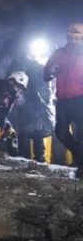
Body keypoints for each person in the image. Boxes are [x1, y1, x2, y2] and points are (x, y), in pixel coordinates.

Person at [44, 23, 83, 178]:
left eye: (77, 39)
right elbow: (46, 75)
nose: (73, 41)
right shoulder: (59, 53)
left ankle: (81, 166)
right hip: (63, 100)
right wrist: (50, 71)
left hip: (80, 100)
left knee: (82, 135)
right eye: (71, 38)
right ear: (67, 37)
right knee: (60, 132)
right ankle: (80, 157)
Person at [10, 49, 55, 162]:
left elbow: (46, 86)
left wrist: (46, 99)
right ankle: (27, 157)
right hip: (25, 101)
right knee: (28, 130)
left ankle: (36, 157)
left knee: (35, 130)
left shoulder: (39, 68)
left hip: (34, 102)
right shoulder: (20, 65)